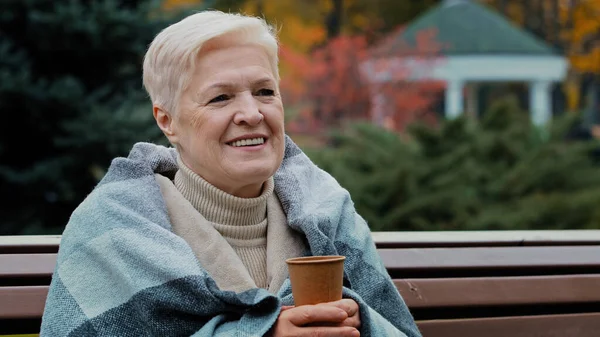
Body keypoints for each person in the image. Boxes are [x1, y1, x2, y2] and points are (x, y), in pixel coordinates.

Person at [40, 10, 421, 337]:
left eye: (265, 92)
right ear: (167, 120)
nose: (252, 113)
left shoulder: (328, 214)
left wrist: (360, 323)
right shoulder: (112, 230)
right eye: (221, 97)